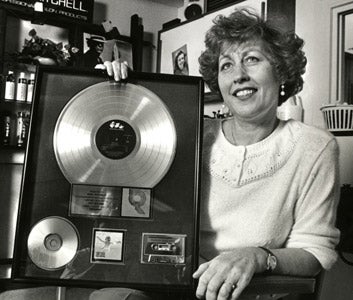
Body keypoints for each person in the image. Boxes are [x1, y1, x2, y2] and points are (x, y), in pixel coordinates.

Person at [103, 8, 340, 300]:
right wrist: (114, 90)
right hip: (171, 279)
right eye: (226, 65)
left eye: (252, 59)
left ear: (281, 70)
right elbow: (127, 175)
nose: (238, 75)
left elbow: (314, 252)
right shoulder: (191, 134)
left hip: (253, 291)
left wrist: (256, 256)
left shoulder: (315, 147)